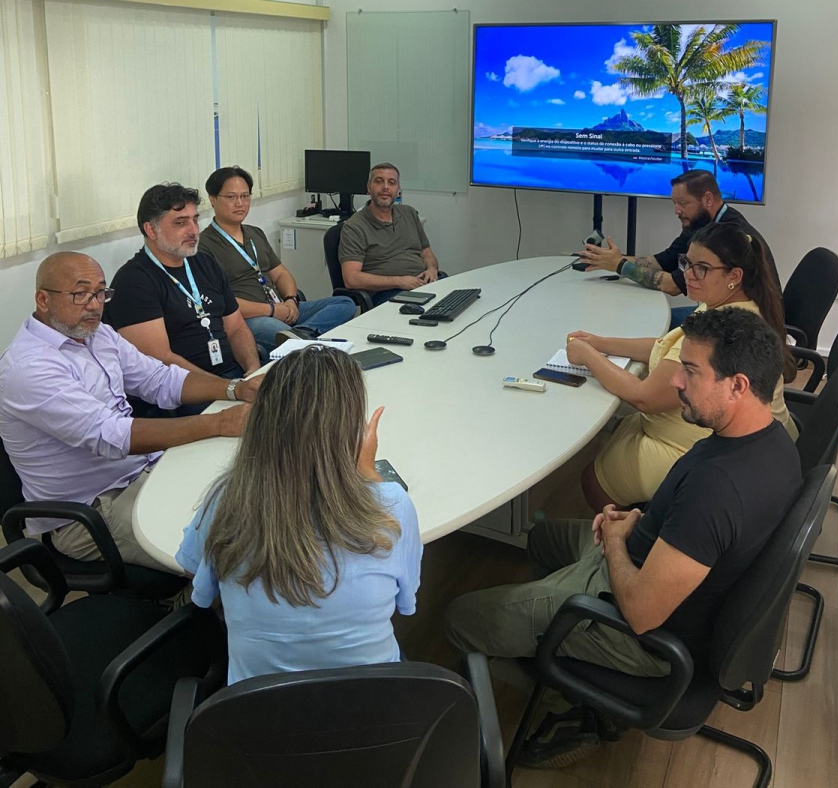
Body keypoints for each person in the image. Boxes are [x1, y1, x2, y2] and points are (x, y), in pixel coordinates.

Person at [445, 307, 802, 768]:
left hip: (640, 631)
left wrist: (616, 541)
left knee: (458, 617)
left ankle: (569, 697)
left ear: (737, 385)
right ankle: (566, 681)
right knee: (545, 539)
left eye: (690, 372)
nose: (675, 382)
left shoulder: (718, 491)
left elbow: (640, 613)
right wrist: (636, 519)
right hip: (648, 561)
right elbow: (690, 524)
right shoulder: (773, 441)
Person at [176, 346, 422, 685]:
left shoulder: (225, 501)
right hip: (373, 720)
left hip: (256, 718)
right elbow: (405, 603)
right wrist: (368, 475)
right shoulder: (392, 505)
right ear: (352, 431)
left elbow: (196, 579)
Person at [0, 252, 259, 573]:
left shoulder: (97, 335)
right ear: (43, 299)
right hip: (91, 511)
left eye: (100, 292)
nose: (95, 305)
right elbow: (111, 435)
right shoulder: (29, 368)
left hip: (142, 470)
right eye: (81, 294)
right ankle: (195, 607)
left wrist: (234, 388)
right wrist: (219, 422)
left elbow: (160, 379)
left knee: (248, 508)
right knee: (230, 557)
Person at [567, 221, 797, 512]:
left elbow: (644, 397)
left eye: (701, 268)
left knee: (592, 479)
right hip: (745, 441)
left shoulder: (726, 329)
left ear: (734, 276)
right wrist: (601, 342)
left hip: (714, 451)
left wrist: (588, 356)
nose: (688, 274)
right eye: (687, 262)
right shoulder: (727, 304)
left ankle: (629, 544)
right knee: (616, 425)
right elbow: (666, 346)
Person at [106, 183, 261, 413]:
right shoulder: (134, 280)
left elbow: (236, 327)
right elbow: (160, 360)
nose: (194, 231)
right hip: (182, 394)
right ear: (151, 230)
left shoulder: (204, 263)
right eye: (180, 223)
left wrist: (253, 371)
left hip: (232, 379)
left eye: (195, 220)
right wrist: (228, 389)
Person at [578, 170, 779, 326]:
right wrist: (610, 258)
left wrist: (620, 266)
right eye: (674, 203)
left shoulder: (726, 236)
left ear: (708, 199)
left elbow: (672, 285)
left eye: (683, 203)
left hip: (743, 326)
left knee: (649, 324)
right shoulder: (701, 224)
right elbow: (664, 260)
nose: (677, 211)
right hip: (718, 310)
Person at [199, 165, 357, 360]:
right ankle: (300, 342)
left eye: (245, 196)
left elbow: (281, 274)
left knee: (345, 303)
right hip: (249, 318)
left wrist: (291, 300)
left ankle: (302, 334)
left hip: (280, 306)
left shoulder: (255, 233)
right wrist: (272, 311)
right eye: (231, 197)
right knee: (278, 330)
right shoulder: (203, 245)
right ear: (213, 199)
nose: (239, 203)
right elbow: (221, 304)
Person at [338, 162, 443, 306]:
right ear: (368, 187)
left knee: (462, 301)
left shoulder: (409, 213)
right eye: (379, 181)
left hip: (422, 282)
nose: (385, 187)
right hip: (388, 292)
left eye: (391, 182)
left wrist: (432, 269)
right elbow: (352, 279)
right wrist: (400, 282)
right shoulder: (354, 227)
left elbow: (426, 252)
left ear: (398, 190)